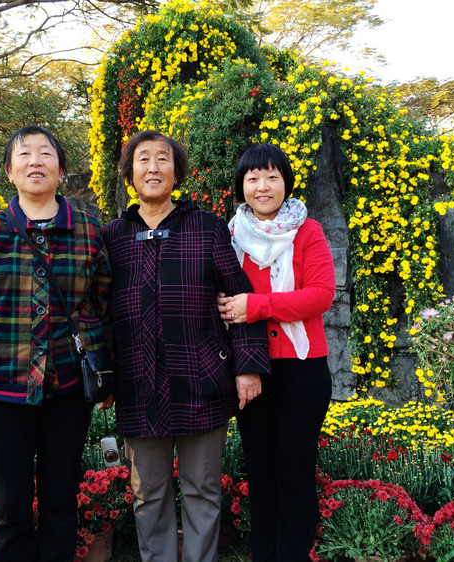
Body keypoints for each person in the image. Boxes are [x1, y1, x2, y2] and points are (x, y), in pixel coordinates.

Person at [0, 124, 111, 562]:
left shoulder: (89, 233)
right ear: (10, 171)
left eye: (46, 154)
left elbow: (102, 308)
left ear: (62, 170)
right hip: (1, 387)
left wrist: (107, 373)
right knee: (9, 504)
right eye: (25, 154)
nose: (36, 161)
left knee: (60, 497)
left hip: (68, 390)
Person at [101, 130, 270, 562]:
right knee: (148, 493)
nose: (153, 167)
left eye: (163, 159)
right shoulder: (113, 236)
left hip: (202, 382)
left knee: (202, 490)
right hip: (138, 383)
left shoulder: (207, 227)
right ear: (129, 173)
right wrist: (104, 378)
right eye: (143, 160)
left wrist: (246, 367)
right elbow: (97, 311)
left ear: (177, 172)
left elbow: (238, 299)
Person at [217, 143, 336, 561]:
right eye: (253, 178)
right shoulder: (229, 236)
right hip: (251, 369)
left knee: (294, 465)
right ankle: (263, 553)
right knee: (260, 467)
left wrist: (256, 306)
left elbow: (321, 295)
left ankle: (294, 552)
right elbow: (221, 298)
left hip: (303, 369)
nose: (262, 186)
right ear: (241, 185)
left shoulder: (308, 232)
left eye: (272, 176)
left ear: (286, 182)